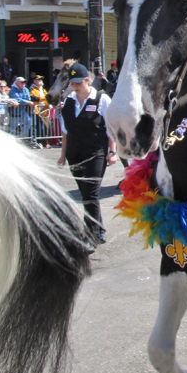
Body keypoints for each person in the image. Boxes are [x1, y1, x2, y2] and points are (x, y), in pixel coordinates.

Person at [57, 63, 117, 244]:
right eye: (72, 83)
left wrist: (112, 151)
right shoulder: (68, 101)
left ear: (87, 80)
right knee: (85, 195)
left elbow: (111, 128)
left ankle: (90, 234)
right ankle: (98, 230)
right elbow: (65, 130)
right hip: (74, 154)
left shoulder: (102, 99)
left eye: (78, 83)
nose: (75, 87)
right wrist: (62, 154)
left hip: (95, 153)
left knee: (90, 194)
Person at [29, 75, 50, 147]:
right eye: (38, 79)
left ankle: (45, 142)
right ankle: (38, 141)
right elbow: (33, 98)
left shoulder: (43, 90)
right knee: (38, 127)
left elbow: (47, 99)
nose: (40, 81)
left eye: (41, 79)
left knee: (45, 127)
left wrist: (49, 104)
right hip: (36, 111)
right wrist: (43, 99)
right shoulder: (33, 89)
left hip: (43, 111)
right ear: (34, 81)